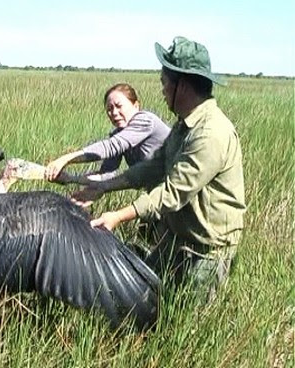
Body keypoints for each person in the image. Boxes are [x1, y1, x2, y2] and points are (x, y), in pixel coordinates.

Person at [80, 36, 246, 301]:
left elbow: (172, 193)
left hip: (204, 250)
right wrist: (103, 186)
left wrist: (118, 216)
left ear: (182, 85)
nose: (162, 91)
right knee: (144, 297)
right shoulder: (184, 125)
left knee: (184, 322)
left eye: (164, 83)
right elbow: (155, 166)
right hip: (175, 238)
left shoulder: (210, 133)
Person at [44, 83, 170, 185]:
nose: (114, 113)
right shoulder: (119, 134)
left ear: (136, 106)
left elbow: (110, 146)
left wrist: (65, 159)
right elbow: (105, 176)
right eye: (109, 109)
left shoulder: (145, 120)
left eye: (119, 106)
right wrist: (71, 179)